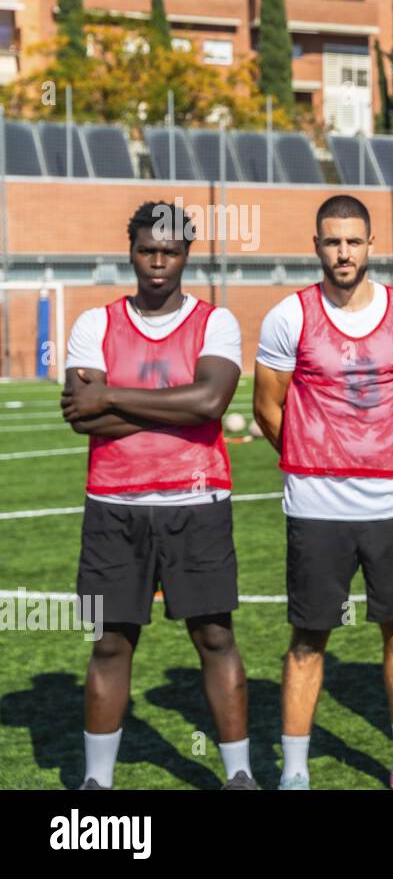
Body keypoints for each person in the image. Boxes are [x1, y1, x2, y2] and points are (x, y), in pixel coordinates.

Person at [253, 194, 393, 790]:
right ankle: (294, 773)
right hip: (316, 505)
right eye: (332, 241)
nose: (343, 251)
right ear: (316, 245)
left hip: (391, 501)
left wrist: (379, 446)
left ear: (371, 245)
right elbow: (268, 408)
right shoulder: (288, 315)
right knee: (309, 637)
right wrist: (316, 458)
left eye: (353, 241)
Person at [61, 200, 252, 789]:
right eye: (148, 250)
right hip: (114, 503)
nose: (158, 263)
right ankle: (98, 783)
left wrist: (113, 396)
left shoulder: (215, 322)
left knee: (215, 636)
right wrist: (179, 406)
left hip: (197, 503)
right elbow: (81, 417)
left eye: (170, 252)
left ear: (187, 254)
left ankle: (239, 774)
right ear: (132, 252)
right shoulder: (95, 323)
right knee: (111, 642)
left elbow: (209, 403)